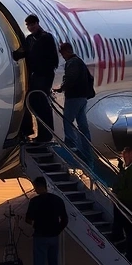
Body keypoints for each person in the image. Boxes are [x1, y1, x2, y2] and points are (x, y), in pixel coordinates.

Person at [12, 14, 59, 142]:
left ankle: (47, 134)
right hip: (35, 75)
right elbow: (24, 52)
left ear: (37, 24)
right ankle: (35, 131)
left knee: (41, 102)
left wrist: (44, 69)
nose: (30, 27)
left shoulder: (46, 38)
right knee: (33, 102)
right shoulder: (30, 39)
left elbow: (54, 59)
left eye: (32, 24)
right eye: (28, 25)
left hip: (44, 75)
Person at [24, 176, 69, 265]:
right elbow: (65, 220)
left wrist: (34, 224)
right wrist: (57, 230)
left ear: (38, 186)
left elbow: (28, 219)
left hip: (40, 236)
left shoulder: (35, 201)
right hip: (53, 237)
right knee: (53, 264)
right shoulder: (57, 200)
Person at [53, 41, 94, 169]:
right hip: (82, 97)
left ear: (66, 51)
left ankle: (71, 145)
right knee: (82, 124)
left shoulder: (72, 63)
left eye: (62, 53)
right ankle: (87, 151)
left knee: (68, 121)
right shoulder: (79, 61)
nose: (62, 56)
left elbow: (71, 78)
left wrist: (61, 89)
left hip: (74, 97)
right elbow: (90, 78)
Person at [110, 147, 132, 261]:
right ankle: (125, 249)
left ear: (131, 153)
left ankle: (129, 254)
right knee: (129, 232)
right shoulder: (131, 168)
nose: (124, 156)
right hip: (128, 206)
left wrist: (118, 195)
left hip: (129, 207)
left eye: (125, 154)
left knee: (130, 232)